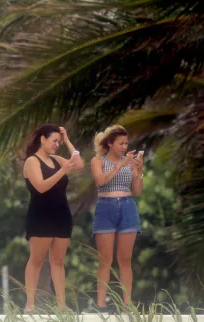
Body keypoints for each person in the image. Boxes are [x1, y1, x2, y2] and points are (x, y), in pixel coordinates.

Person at [23, 124, 83, 311]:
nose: (57, 144)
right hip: (41, 215)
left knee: (58, 261)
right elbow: (41, 187)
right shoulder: (32, 161)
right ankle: (30, 304)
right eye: (54, 140)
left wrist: (68, 141)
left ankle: (61, 306)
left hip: (61, 215)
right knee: (37, 260)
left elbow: (79, 164)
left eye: (59, 142)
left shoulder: (57, 160)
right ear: (42, 139)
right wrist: (63, 171)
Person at [90, 125, 144, 313]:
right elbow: (100, 181)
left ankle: (127, 305)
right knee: (105, 259)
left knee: (125, 259)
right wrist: (121, 165)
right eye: (121, 143)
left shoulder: (130, 163)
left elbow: (137, 191)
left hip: (127, 206)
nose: (124, 147)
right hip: (106, 207)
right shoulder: (98, 161)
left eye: (126, 143)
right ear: (110, 143)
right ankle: (101, 305)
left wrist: (139, 170)